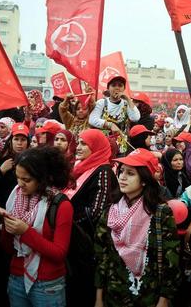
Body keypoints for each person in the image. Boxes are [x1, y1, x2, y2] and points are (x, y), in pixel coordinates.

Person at [94, 148, 180, 306]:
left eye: (131, 173)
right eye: (121, 171)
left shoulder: (160, 214)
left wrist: (164, 299)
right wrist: (99, 297)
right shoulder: (110, 212)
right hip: (113, 294)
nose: (122, 177)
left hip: (148, 295)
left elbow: (171, 261)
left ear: (145, 179)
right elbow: (102, 257)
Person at [0, 147, 73, 307]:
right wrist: (6, 223)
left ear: (43, 178)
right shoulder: (15, 198)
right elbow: (8, 248)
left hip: (48, 284)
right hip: (17, 277)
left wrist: (25, 231)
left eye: (27, 180)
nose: (20, 184)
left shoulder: (60, 204)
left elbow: (59, 253)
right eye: (17, 177)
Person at [63, 129, 118, 307]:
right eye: (78, 143)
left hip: (85, 244)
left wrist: (67, 219)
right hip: (73, 239)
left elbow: (97, 211)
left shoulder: (103, 170)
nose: (78, 147)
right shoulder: (80, 166)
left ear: (96, 147)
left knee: (82, 290)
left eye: (84, 144)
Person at [89, 75, 141, 155]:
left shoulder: (126, 104)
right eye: (113, 85)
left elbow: (135, 118)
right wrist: (110, 125)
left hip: (121, 146)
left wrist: (127, 99)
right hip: (102, 145)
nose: (117, 88)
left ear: (124, 89)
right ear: (108, 88)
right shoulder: (102, 102)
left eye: (120, 85)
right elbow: (92, 119)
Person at [0, 123, 31, 208]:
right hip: (3, 205)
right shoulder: (2, 160)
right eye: (16, 139)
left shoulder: (33, 161)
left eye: (23, 140)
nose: (19, 143)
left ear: (27, 142)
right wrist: (0, 171)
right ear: (11, 141)